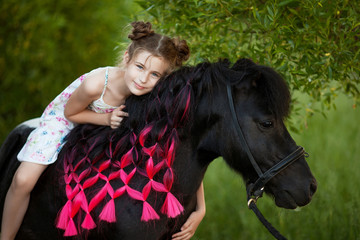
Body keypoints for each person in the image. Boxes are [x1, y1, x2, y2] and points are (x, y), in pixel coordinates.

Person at [0, 21, 205, 240]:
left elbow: (172, 147)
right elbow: (71, 113)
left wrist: (200, 208)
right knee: (23, 180)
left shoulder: (152, 95)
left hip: (108, 126)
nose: (143, 79)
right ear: (127, 58)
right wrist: (106, 118)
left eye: (155, 74)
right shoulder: (97, 84)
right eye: (140, 67)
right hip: (68, 120)